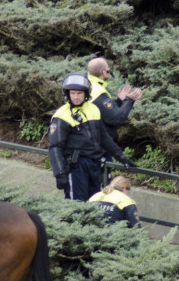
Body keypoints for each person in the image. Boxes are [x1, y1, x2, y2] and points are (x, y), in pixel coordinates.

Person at [48, 72, 124, 202]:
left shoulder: (93, 109)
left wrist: (120, 156)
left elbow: (104, 137)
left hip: (95, 163)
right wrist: (59, 173)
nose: (76, 97)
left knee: (95, 203)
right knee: (77, 206)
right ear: (68, 94)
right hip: (76, 167)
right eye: (72, 93)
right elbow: (55, 147)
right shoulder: (62, 115)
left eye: (79, 93)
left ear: (86, 94)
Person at [85, 56, 143, 147]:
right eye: (108, 70)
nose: (109, 72)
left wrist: (120, 101)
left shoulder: (89, 85)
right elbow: (116, 118)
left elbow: (104, 113)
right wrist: (130, 100)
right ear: (103, 72)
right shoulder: (97, 91)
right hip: (97, 146)